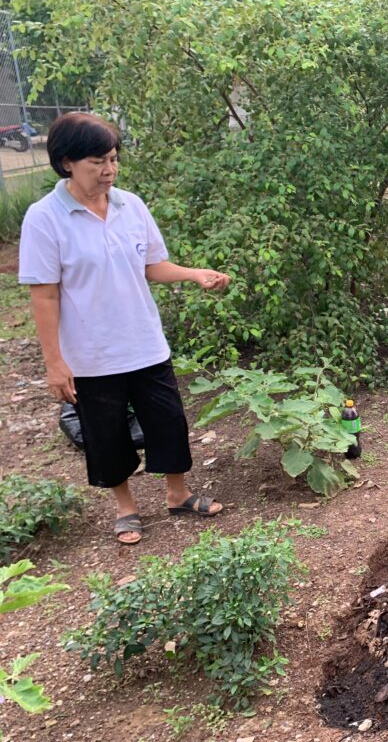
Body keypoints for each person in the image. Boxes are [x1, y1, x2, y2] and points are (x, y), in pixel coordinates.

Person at [18, 112, 231, 545]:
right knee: (106, 434)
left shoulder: (130, 205)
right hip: (91, 355)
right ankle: (126, 508)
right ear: (67, 163)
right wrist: (54, 363)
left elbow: (151, 264)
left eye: (113, 159)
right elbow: (45, 296)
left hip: (144, 342)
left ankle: (178, 495)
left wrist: (193, 274)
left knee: (168, 422)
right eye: (97, 161)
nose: (109, 170)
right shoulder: (45, 218)